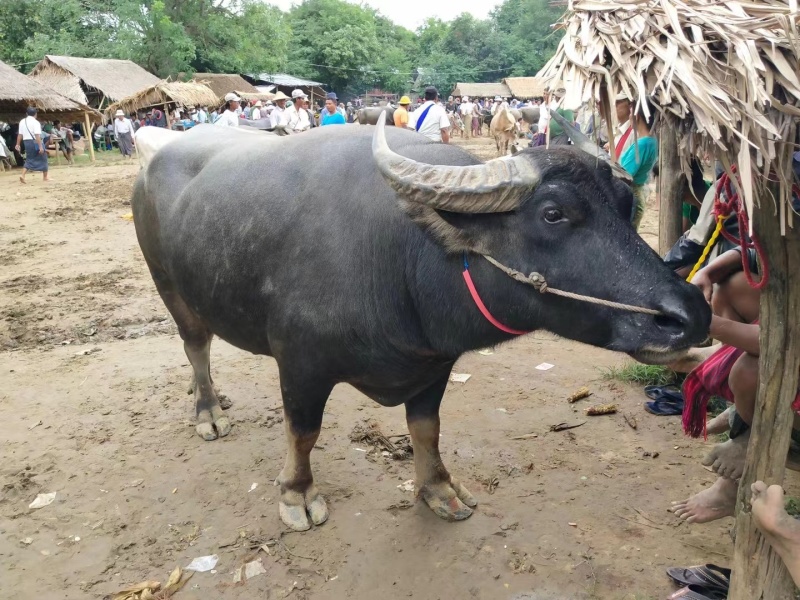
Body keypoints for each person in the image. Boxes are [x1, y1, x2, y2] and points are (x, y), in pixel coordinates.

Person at [619, 99, 657, 231]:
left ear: (637, 116)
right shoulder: (652, 141)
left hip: (631, 194)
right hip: (638, 193)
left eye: (630, 113)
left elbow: (624, 174)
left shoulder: (642, 145)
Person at [15, 107, 49, 183]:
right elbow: (37, 136)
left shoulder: (22, 121)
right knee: (44, 157)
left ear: (27, 114)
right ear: (36, 114)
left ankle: (23, 175)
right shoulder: (36, 122)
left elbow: (20, 134)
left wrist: (17, 144)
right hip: (35, 142)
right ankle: (45, 177)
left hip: (26, 142)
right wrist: (40, 147)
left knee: (29, 158)